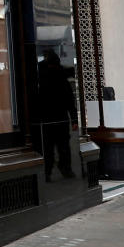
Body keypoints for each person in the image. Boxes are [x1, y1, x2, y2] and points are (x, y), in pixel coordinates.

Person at [35, 49, 77, 182]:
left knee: (48, 148)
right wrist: (74, 119)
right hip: (60, 117)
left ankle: (48, 172)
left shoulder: (40, 77)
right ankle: (64, 169)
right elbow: (70, 100)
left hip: (46, 118)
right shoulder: (61, 76)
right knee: (63, 146)